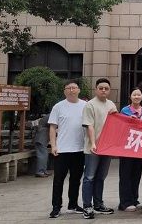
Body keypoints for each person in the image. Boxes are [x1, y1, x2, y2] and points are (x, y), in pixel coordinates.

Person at [48, 80, 87, 218]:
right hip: (62, 149)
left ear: (79, 90)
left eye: (74, 87)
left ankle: (73, 205)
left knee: (76, 179)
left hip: (79, 149)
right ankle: (56, 207)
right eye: (68, 88)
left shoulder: (85, 105)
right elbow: (52, 127)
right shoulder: (58, 107)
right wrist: (53, 145)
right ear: (64, 91)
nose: (71, 90)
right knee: (58, 180)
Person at [81, 78, 118, 219]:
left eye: (106, 88)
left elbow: (116, 123)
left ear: (109, 90)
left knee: (101, 177)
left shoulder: (111, 104)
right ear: (96, 89)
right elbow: (89, 125)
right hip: (93, 148)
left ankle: (98, 204)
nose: (103, 90)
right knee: (89, 177)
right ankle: (87, 206)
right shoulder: (90, 105)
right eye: (101, 88)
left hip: (107, 147)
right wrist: (93, 143)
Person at [118, 87, 142, 212]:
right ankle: (125, 202)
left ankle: (134, 199)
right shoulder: (125, 110)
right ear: (130, 96)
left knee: (136, 174)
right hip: (127, 146)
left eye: (139, 95)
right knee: (126, 174)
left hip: (139, 147)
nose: (137, 97)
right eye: (134, 94)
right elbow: (121, 126)